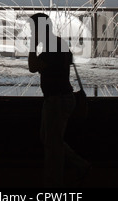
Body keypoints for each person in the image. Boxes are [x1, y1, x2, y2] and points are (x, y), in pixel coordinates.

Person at [27, 13, 91, 188]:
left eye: (33, 29)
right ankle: (80, 165)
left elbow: (33, 66)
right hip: (59, 98)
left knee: (52, 147)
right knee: (50, 140)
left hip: (57, 100)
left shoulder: (53, 46)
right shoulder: (56, 43)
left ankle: (54, 184)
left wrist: (33, 43)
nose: (31, 32)